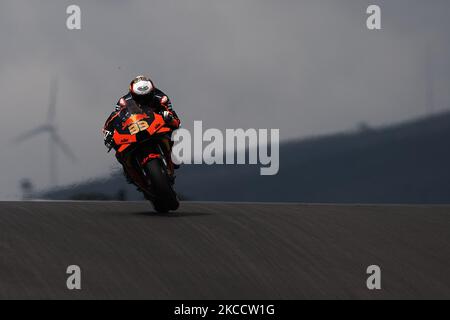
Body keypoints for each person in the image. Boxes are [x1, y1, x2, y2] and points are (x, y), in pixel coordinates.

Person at [103, 75, 180, 190]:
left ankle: (169, 158)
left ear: (152, 91)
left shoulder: (162, 98)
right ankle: (129, 170)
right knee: (118, 151)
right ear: (133, 94)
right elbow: (114, 117)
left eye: (147, 96)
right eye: (139, 97)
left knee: (169, 133)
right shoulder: (124, 101)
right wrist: (108, 132)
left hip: (155, 125)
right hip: (134, 127)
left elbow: (175, 119)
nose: (143, 100)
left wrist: (168, 117)